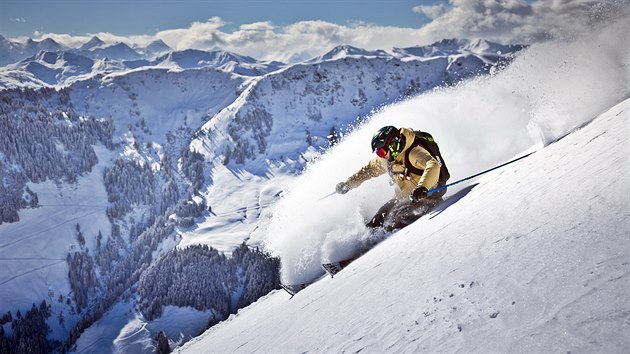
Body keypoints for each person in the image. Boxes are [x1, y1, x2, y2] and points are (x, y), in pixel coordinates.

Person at [335, 126, 448, 231]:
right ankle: (368, 241)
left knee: (397, 219)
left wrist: (423, 187)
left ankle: (390, 244)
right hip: (403, 197)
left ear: (393, 145)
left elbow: (433, 164)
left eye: (382, 151)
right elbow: (368, 170)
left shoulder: (413, 153)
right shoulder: (386, 159)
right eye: (378, 153)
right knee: (378, 218)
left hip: (426, 195)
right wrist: (348, 184)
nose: (381, 155)